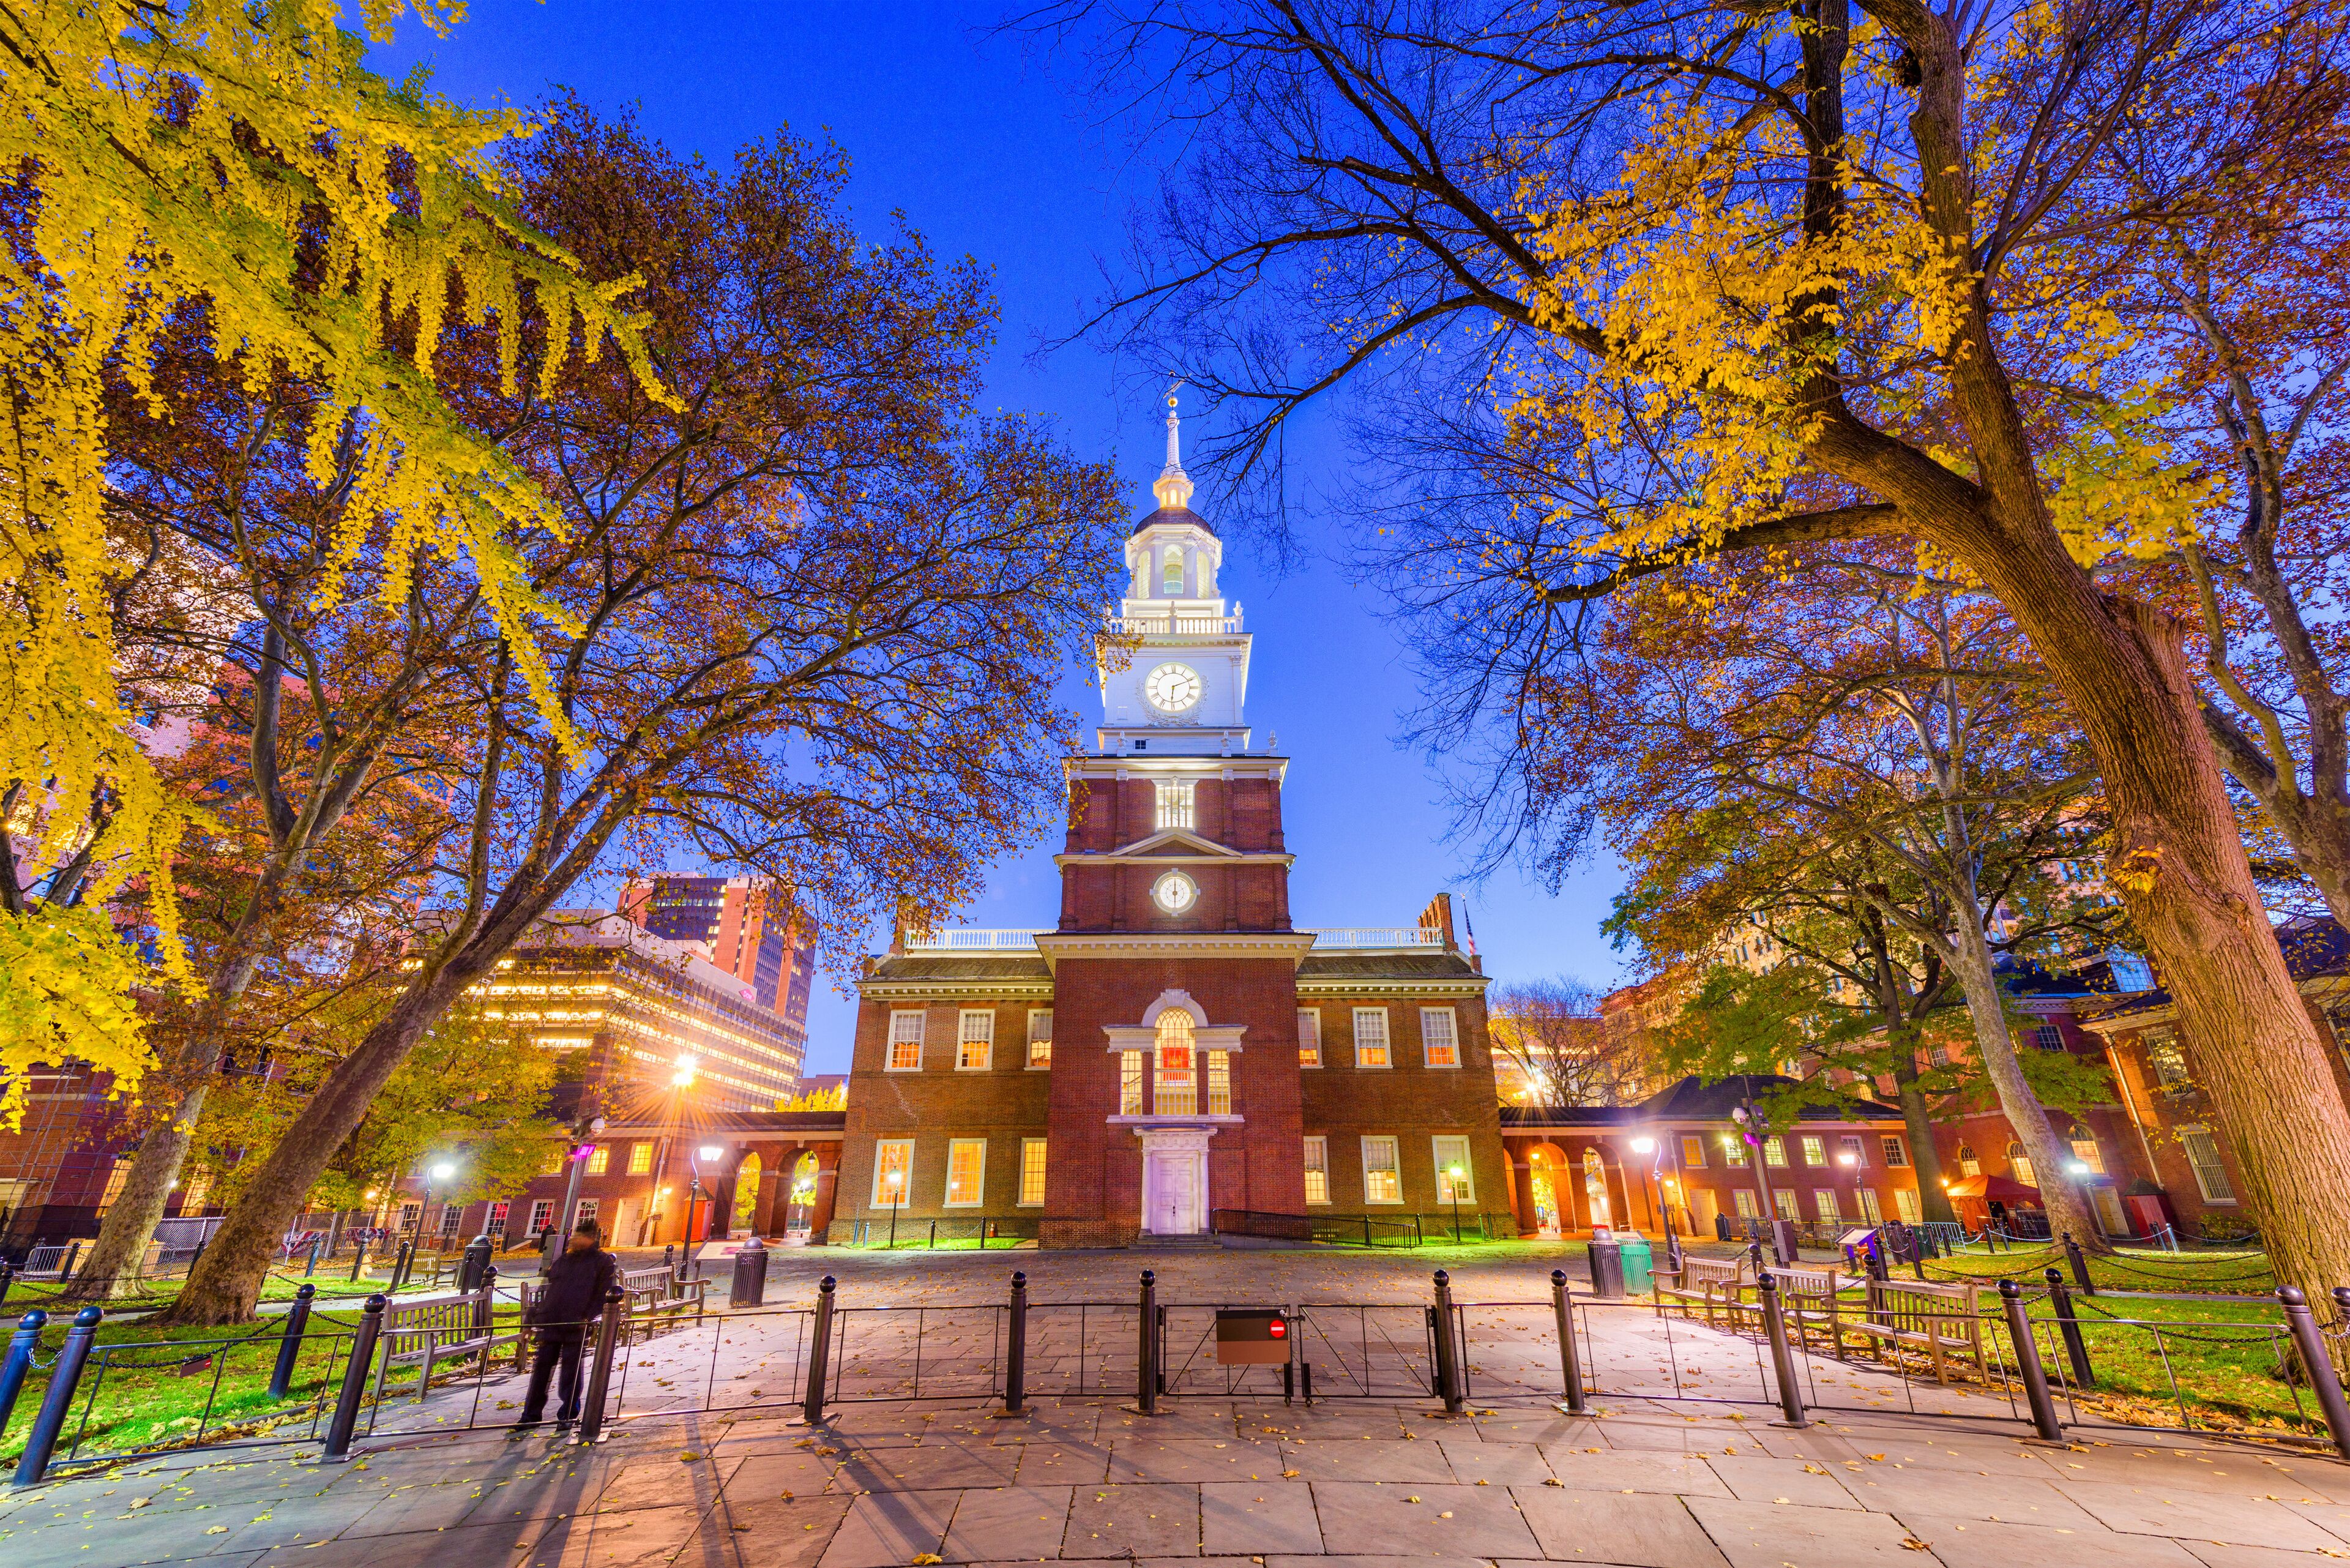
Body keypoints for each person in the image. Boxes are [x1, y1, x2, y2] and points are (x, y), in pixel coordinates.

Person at [515, 1217, 620, 1429]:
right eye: (574, 1236)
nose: (574, 1240)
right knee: (541, 1372)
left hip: (576, 1324)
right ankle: (531, 1415)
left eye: (579, 1236)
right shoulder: (564, 1261)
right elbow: (551, 1293)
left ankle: (568, 1414)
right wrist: (532, 1319)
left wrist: (588, 1318)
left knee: (571, 1374)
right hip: (551, 1323)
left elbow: (603, 1295)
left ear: (591, 1238)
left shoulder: (602, 1262)